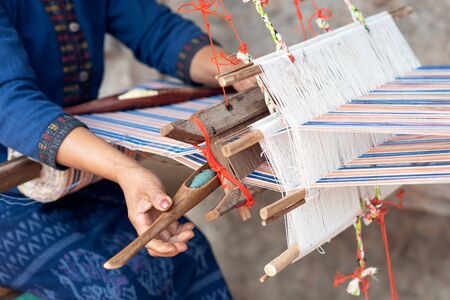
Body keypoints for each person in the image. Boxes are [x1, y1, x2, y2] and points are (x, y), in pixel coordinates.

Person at [0, 1, 253, 299]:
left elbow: (157, 31)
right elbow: (10, 104)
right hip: (8, 198)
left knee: (187, 256)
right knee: (114, 286)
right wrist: (125, 171)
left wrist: (237, 72)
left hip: (77, 179)